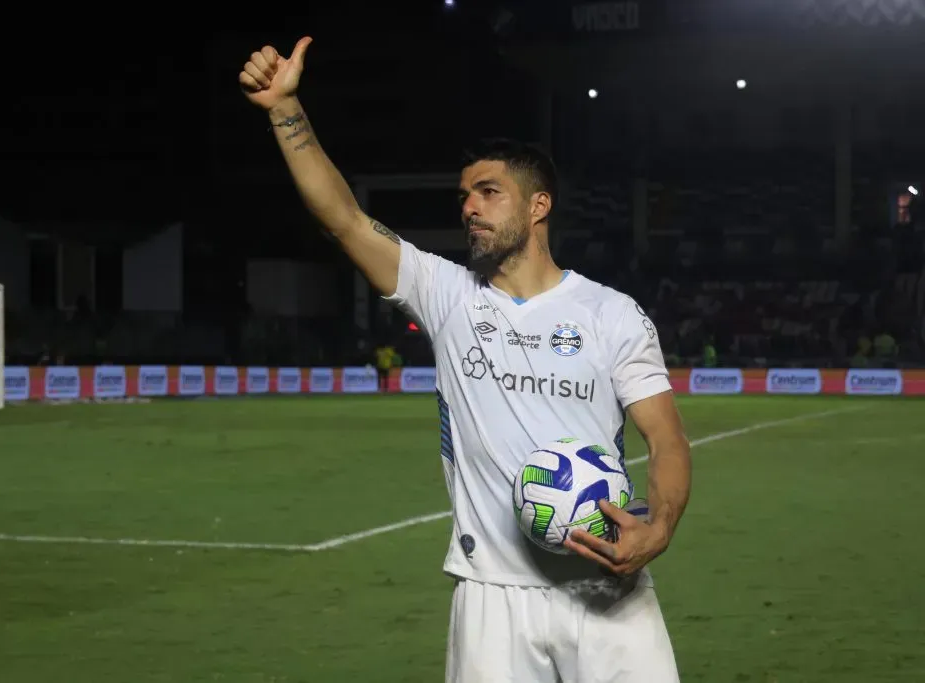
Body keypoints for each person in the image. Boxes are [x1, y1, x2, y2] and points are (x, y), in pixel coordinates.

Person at [239, 37, 692, 683]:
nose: (468, 207)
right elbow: (342, 218)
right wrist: (286, 110)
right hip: (491, 596)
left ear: (539, 206)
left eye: (488, 192)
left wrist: (662, 524)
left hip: (606, 586)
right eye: (464, 195)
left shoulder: (611, 313)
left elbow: (667, 439)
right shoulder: (447, 293)